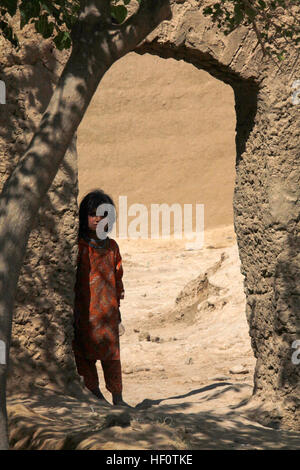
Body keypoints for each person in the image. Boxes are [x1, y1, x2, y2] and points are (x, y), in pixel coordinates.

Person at [72, 189, 128, 406]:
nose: (97, 219)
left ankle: (118, 398)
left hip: (108, 314)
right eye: (92, 214)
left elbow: (118, 279)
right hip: (84, 313)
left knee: (112, 356)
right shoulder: (80, 248)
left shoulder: (112, 247)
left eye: (102, 214)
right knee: (83, 355)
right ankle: (96, 396)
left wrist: (118, 311)